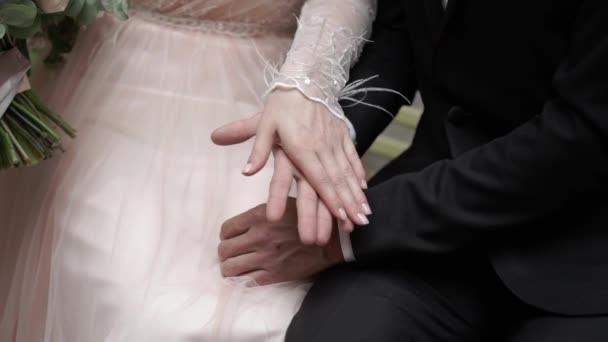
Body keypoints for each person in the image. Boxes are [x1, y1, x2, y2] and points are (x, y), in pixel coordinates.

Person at [214, 0, 608, 341]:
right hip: (426, 240)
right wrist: (326, 142)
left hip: (582, 251)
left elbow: (580, 138)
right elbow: (401, 29)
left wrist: (350, 234)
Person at [0, 0, 377, 341]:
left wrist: (306, 87)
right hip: (116, 82)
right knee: (115, 289)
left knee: (267, 309)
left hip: (264, 100)